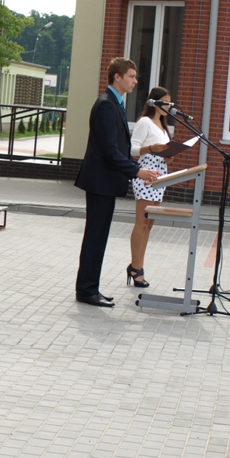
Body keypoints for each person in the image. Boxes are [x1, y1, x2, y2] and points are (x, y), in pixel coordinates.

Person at [74, 57, 160, 308]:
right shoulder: (106, 105)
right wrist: (137, 171)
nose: (135, 81)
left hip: (105, 182)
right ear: (117, 77)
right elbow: (110, 151)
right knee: (95, 238)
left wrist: (136, 167)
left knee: (98, 237)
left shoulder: (115, 104)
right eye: (131, 76)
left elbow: (118, 148)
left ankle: (90, 288)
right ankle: (87, 290)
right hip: (100, 182)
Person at [128, 87, 171, 288]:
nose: (168, 106)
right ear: (155, 102)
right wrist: (151, 148)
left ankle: (139, 265)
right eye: (165, 102)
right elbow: (131, 149)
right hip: (145, 173)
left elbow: (164, 152)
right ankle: (136, 268)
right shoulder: (145, 122)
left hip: (160, 175)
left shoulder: (163, 127)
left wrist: (168, 155)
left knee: (150, 223)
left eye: (170, 103)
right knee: (142, 222)